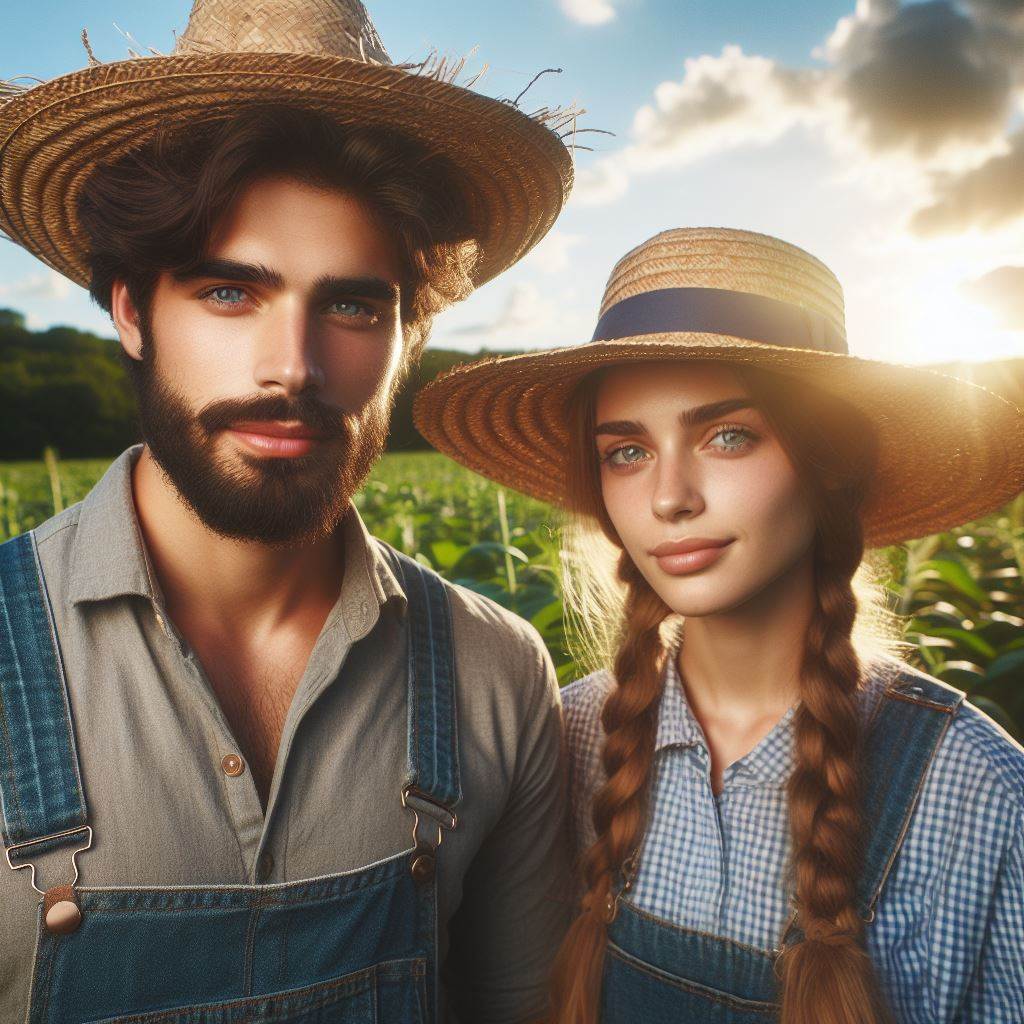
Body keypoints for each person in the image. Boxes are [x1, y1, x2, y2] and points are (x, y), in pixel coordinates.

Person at [0, 2, 577, 1021]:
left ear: (410, 331)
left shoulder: (499, 674)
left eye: (352, 304)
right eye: (230, 293)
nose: (294, 368)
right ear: (132, 307)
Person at [413, 227, 1024, 1023]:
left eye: (727, 436)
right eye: (627, 452)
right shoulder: (567, 737)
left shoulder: (978, 791)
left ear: (831, 460)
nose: (670, 497)